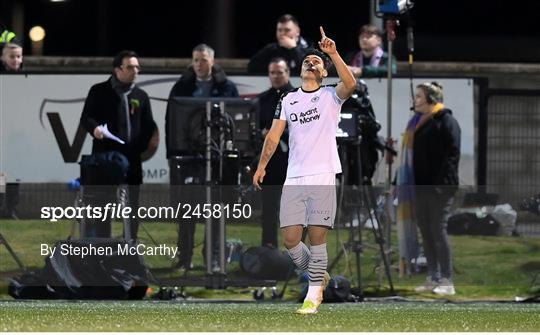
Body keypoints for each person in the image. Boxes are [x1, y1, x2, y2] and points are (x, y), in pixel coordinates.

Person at [253, 27, 356, 314]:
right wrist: (262, 165)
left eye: (317, 62)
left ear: (324, 73)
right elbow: (273, 136)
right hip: (294, 176)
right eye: (307, 61)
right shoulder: (287, 100)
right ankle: (318, 274)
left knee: (317, 237)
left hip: (323, 174)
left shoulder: (330, 96)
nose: (311, 63)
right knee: (290, 239)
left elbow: (351, 84)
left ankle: (313, 297)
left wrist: (333, 54)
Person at [166, 43, 239, 271]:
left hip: (217, 159)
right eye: (196, 60)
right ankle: (184, 259)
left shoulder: (226, 88)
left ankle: (213, 258)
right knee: (187, 211)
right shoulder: (182, 87)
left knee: (216, 211)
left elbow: (235, 121)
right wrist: (172, 154)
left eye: (203, 60)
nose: (199, 64)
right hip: (189, 158)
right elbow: (171, 122)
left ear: (212, 61)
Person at [80, 50, 155, 240]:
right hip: (106, 157)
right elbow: (86, 117)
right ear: (117, 69)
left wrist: (139, 147)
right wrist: (95, 129)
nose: (135, 71)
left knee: (133, 205)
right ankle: (102, 244)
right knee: (103, 204)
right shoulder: (99, 91)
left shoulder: (141, 95)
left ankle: (131, 243)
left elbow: (148, 126)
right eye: (130, 67)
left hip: (132, 158)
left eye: (137, 67)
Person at [397, 82, 460, 295]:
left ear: (431, 99)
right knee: (425, 231)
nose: (415, 100)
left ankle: (447, 279)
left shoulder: (445, 120)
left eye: (419, 96)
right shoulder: (415, 123)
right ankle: (432, 276)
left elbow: (452, 155)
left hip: (439, 189)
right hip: (419, 189)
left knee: (437, 230)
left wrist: (440, 185)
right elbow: (409, 158)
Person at [256, 57, 293, 248]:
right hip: (271, 163)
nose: (276, 76)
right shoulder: (262, 100)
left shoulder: (299, 96)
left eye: (280, 72)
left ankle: (298, 257)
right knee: (269, 210)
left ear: (288, 72)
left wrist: (277, 133)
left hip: (294, 162)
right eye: (273, 72)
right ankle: (268, 251)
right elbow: (255, 127)